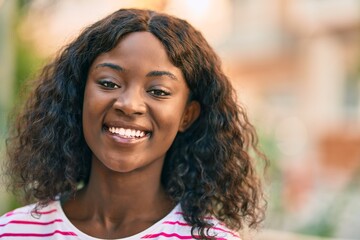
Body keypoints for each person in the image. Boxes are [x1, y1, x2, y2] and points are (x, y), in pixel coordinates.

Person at [1, 8, 266, 240]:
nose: (129, 104)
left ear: (187, 115)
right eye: (108, 83)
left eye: (159, 91)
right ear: (79, 95)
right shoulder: (14, 231)